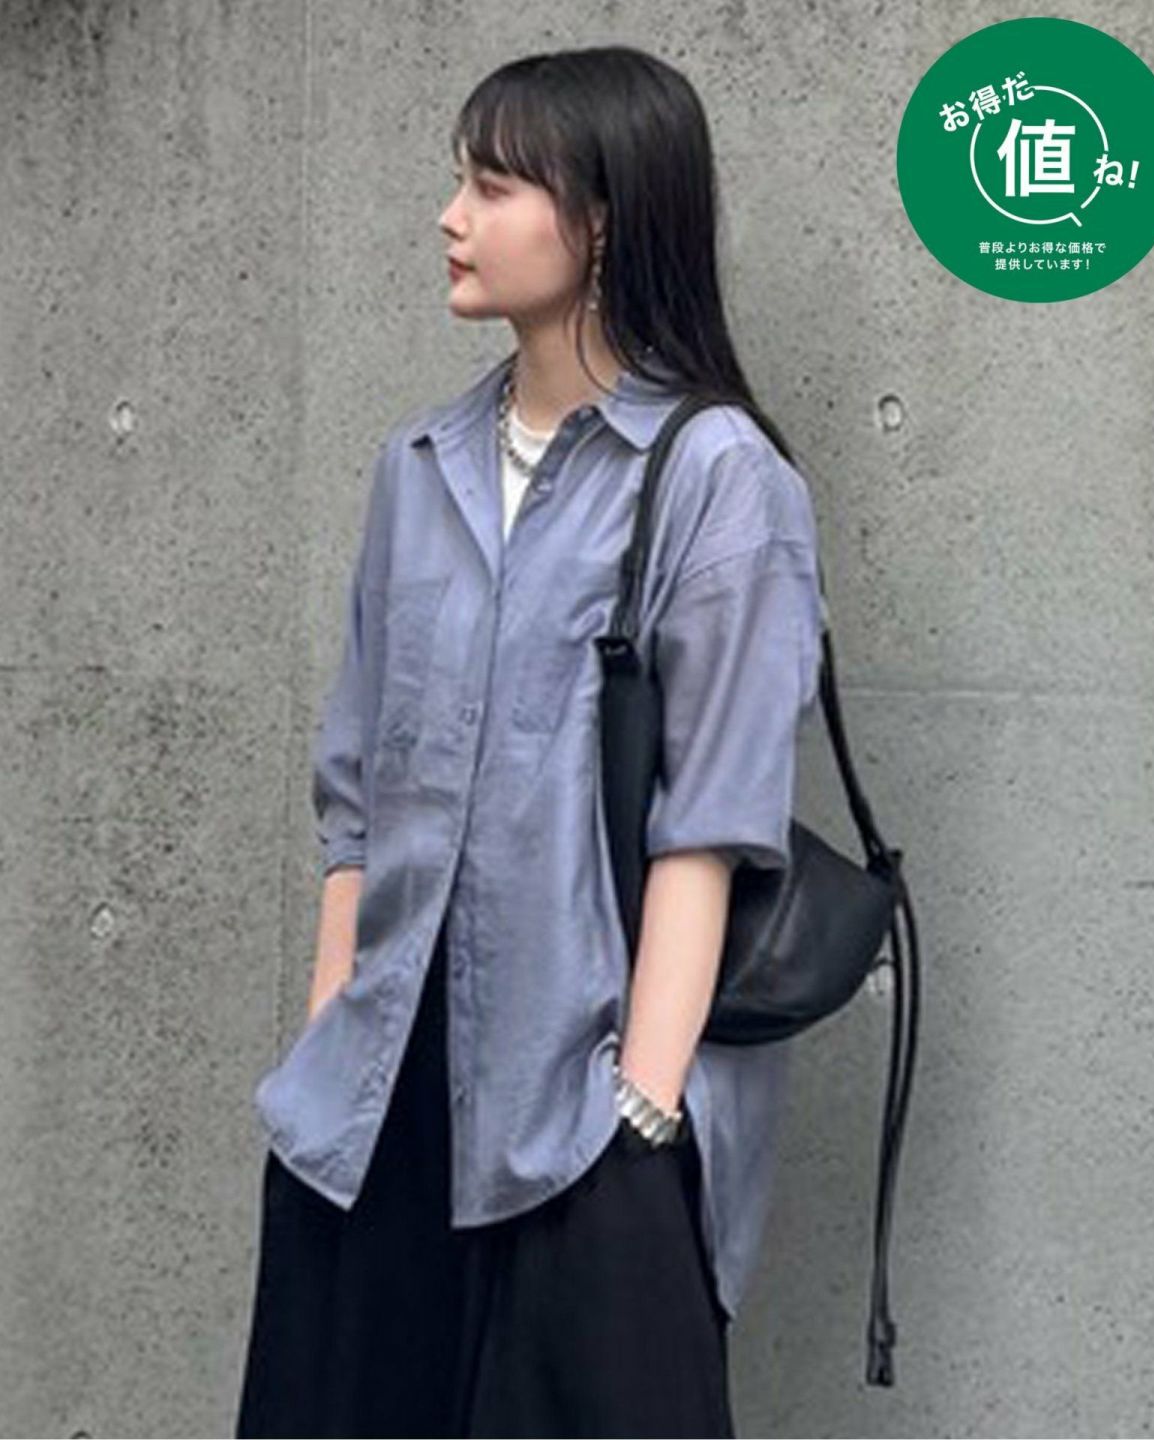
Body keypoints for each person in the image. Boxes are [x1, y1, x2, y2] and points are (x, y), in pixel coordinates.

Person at [234, 42, 823, 1440]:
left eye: (494, 187)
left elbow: (711, 824)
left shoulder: (716, 478)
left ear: (601, 221)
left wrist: (643, 1116)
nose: (452, 217)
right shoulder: (417, 469)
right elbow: (358, 801)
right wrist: (333, 1035)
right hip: (376, 1109)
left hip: (583, 1113)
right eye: (461, 180)